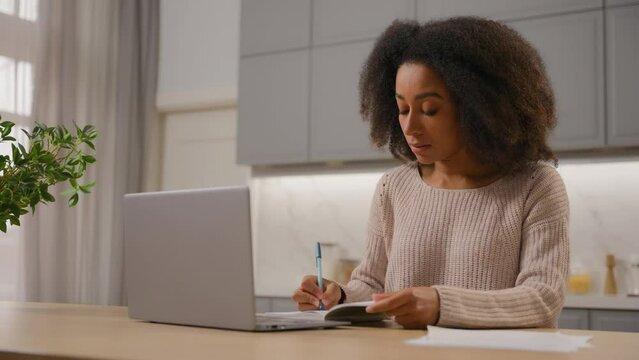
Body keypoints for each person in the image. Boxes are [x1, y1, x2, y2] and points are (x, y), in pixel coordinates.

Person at [291, 17, 569, 329]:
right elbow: (372, 283)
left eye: (429, 110)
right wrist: (338, 296)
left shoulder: (536, 186)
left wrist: (441, 305)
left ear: (478, 106)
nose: (410, 127)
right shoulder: (393, 187)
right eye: (403, 109)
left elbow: (542, 298)